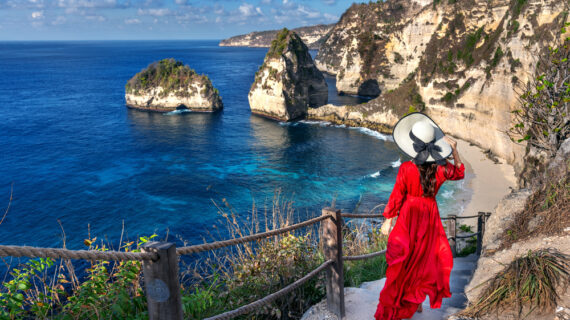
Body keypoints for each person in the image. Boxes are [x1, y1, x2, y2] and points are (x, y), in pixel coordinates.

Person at [374, 113, 465, 320]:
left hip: (408, 216)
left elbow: (397, 195)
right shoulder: (442, 169)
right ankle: (416, 302)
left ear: (413, 146)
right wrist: (455, 151)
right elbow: (459, 173)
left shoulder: (406, 168)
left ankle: (404, 301)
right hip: (429, 217)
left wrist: (388, 219)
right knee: (422, 261)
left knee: (403, 260)